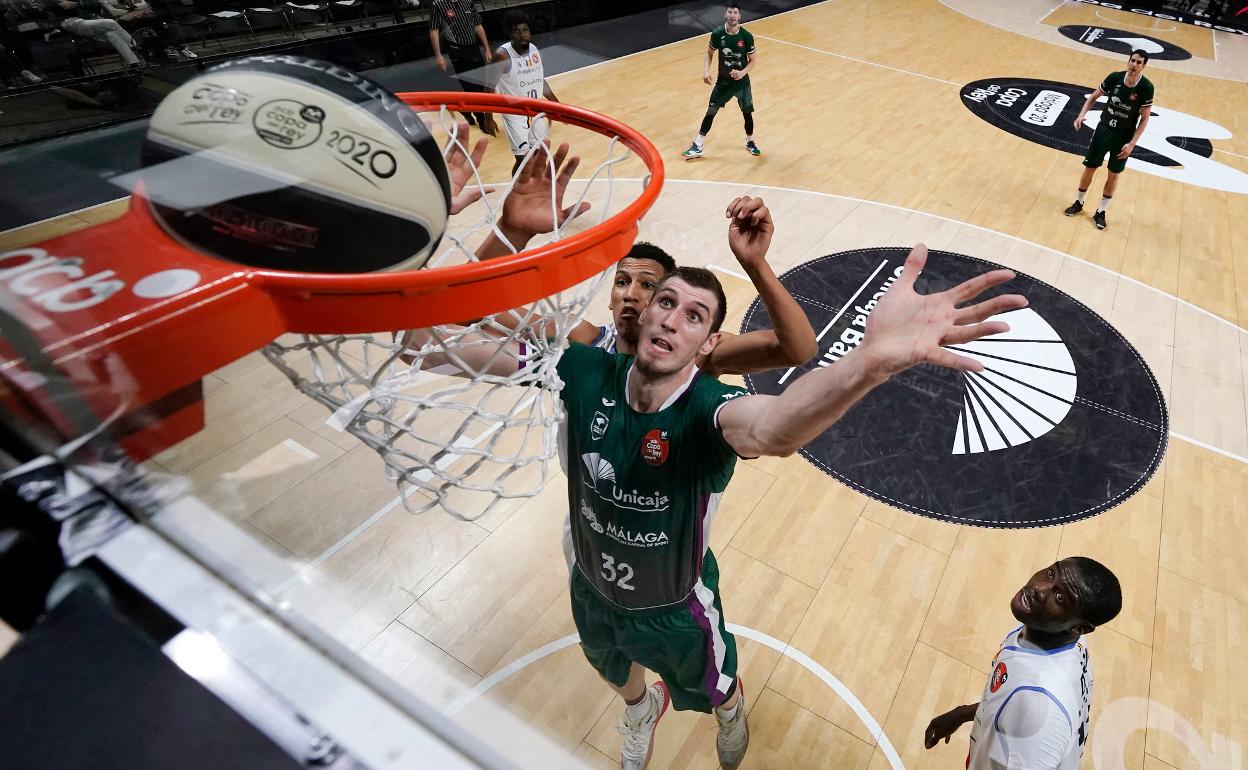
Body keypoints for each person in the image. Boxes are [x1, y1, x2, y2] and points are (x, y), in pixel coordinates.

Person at [417, 135, 1027, 769]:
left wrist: (869, 363)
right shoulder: (580, 362)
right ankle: (639, 707)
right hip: (591, 571)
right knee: (610, 668)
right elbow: (424, 341)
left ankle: (729, 707)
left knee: (714, 685)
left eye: (692, 315)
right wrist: (510, 234)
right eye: (661, 302)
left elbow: (775, 427)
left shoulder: (709, 405)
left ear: (710, 343)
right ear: (638, 314)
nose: (665, 315)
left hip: (673, 601)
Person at [923, 558, 1122, 770]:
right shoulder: (1060, 638)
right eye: (1050, 574)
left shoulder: (1039, 710)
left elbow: (1030, 719)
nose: (1039, 589)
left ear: (1079, 628)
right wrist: (962, 714)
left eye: (1060, 598)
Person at [1063, 49, 1153, 231]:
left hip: (1124, 137)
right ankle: (1079, 202)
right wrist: (1081, 114)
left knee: (1113, 174)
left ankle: (1101, 211)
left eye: (1138, 62)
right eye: (1132, 60)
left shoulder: (1146, 87)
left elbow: (1144, 118)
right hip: (1103, 130)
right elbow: (1093, 97)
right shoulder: (1115, 77)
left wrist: (1132, 143)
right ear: (1128, 61)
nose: (1134, 65)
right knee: (1090, 167)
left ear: (1144, 66)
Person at [682, 2, 759, 159]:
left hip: (741, 83)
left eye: (735, 12)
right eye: (730, 12)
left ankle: (750, 142)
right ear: (725, 14)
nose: (732, 15)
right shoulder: (717, 33)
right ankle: (698, 145)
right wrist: (706, 71)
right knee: (711, 111)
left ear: (739, 16)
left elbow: (753, 61)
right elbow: (709, 53)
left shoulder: (746, 36)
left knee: (747, 113)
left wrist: (742, 73)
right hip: (723, 82)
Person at [490, 10, 559, 174]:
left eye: (525, 30)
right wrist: (488, 117)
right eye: (516, 30)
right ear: (509, 33)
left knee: (540, 154)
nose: (522, 34)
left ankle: (536, 185)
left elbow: (540, 80)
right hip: (514, 113)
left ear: (530, 31)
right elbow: (489, 86)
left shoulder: (534, 50)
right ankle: (516, 187)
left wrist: (557, 105)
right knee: (523, 160)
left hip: (535, 110)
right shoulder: (502, 55)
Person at [429, 0, 495, 135]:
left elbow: (478, 25)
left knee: (482, 86)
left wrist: (487, 48)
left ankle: (466, 110)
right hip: (457, 50)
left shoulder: (468, 2)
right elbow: (434, 30)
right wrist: (438, 55)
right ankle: (482, 121)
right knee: (471, 88)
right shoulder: (438, 4)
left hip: (474, 49)